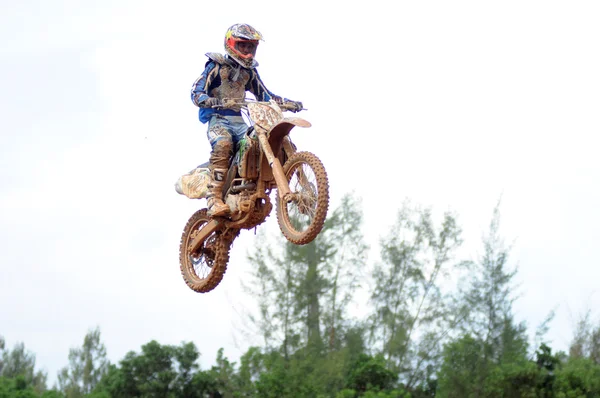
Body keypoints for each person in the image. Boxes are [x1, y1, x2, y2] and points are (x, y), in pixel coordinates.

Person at [190, 23, 303, 217]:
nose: (247, 51)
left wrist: (287, 102)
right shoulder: (216, 66)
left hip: (239, 121)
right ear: (231, 44)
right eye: (243, 46)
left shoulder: (249, 72)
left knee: (261, 141)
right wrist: (212, 100)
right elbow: (195, 92)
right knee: (224, 144)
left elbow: (265, 95)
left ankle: (290, 186)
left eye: (251, 46)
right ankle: (214, 198)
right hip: (219, 119)